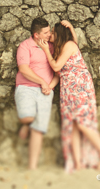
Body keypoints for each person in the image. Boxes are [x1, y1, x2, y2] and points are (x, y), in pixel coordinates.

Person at [38, 21, 100, 172]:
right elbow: (59, 72)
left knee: (83, 122)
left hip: (80, 87)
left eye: (53, 32)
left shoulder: (69, 45)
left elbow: (57, 66)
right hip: (68, 89)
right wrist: (71, 28)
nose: (50, 34)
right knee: (74, 126)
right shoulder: (61, 49)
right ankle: (77, 163)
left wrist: (45, 50)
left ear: (59, 35)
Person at [15, 17, 59, 170]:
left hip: (46, 91)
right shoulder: (25, 46)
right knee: (29, 117)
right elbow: (24, 69)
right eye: (46, 32)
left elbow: (58, 71)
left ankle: (32, 167)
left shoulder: (52, 47)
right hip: (26, 87)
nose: (49, 34)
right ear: (36, 35)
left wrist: (49, 87)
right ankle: (26, 123)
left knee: (38, 129)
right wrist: (42, 81)